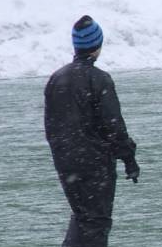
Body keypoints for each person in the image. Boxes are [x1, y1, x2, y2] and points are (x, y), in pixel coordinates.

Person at [44, 15, 140, 247]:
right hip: (95, 163)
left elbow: (50, 126)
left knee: (82, 217)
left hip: (66, 162)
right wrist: (128, 158)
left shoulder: (56, 79)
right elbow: (114, 126)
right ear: (97, 46)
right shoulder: (99, 80)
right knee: (97, 221)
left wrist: (64, 154)